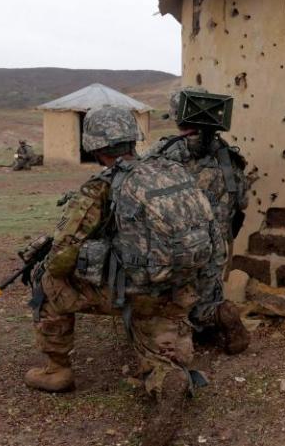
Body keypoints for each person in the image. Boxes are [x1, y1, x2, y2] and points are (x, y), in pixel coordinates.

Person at [25, 105, 222, 446]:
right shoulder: (171, 172)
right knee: (162, 355)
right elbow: (213, 236)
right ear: (133, 138)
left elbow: (60, 260)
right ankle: (167, 377)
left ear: (97, 148)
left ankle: (57, 369)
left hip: (137, 292)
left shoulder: (100, 187)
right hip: (179, 293)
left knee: (47, 280)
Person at [149, 87, 251, 355]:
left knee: (169, 302)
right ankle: (218, 315)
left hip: (175, 250)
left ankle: (178, 340)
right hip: (214, 250)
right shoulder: (229, 156)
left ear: (178, 115)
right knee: (207, 297)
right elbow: (241, 202)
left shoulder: (163, 152)